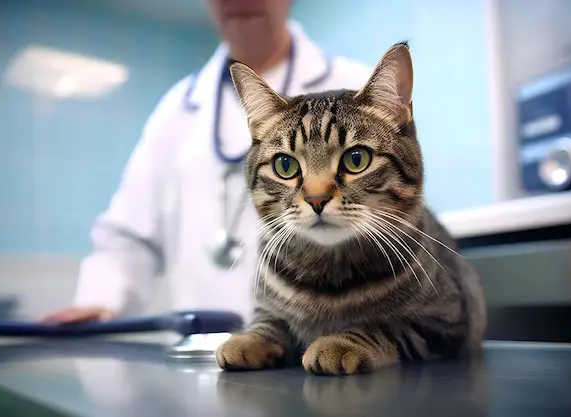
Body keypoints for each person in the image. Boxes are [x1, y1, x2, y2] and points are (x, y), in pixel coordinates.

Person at [41, 0, 372, 324]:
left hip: (326, 353)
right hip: (199, 355)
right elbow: (130, 235)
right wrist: (101, 299)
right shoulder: (175, 110)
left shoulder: (358, 85)